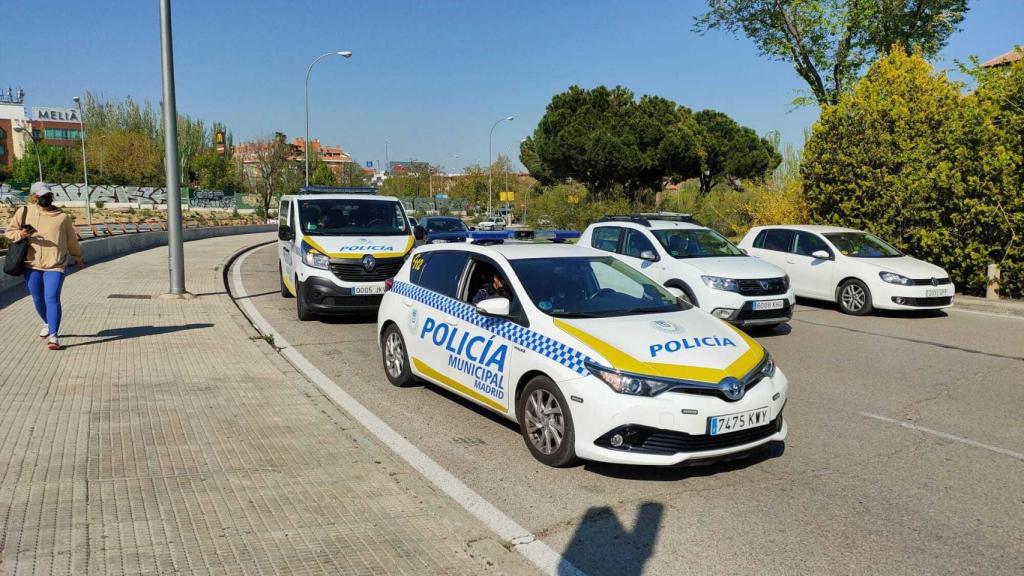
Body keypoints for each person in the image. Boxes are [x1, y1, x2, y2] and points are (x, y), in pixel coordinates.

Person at [4, 191, 85, 350]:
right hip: (31, 264)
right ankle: (48, 323)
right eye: (41, 195)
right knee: (38, 298)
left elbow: (71, 240)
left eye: (48, 195)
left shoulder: (63, 217)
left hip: (56, 264)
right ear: (34, 197)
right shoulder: (24, 211)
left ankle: (53, 336)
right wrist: (21, 234)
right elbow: (9, 232)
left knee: (52, 298)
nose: (45, 198)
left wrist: (78, 257)